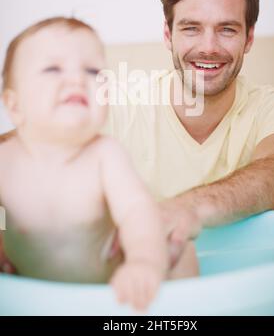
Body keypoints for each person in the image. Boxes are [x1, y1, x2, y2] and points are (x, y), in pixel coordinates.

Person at [1, 0, 274, 267]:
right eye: (191, 28)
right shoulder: (114, 106)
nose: (209, 47)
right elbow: (14, 154)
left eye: (226, 29)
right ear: (168, 35)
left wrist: (187, 209)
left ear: (249, 38)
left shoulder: (273, 106)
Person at [0, 17, 198, 311]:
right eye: (53, 69)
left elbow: (136, 213)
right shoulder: (6, 163)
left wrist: (144, 261)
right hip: (36, 298)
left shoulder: (105, 155)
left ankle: (187, 310)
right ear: (14, 106)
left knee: (180, 250)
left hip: (113, 294)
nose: (77, 79)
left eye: (93, 71)